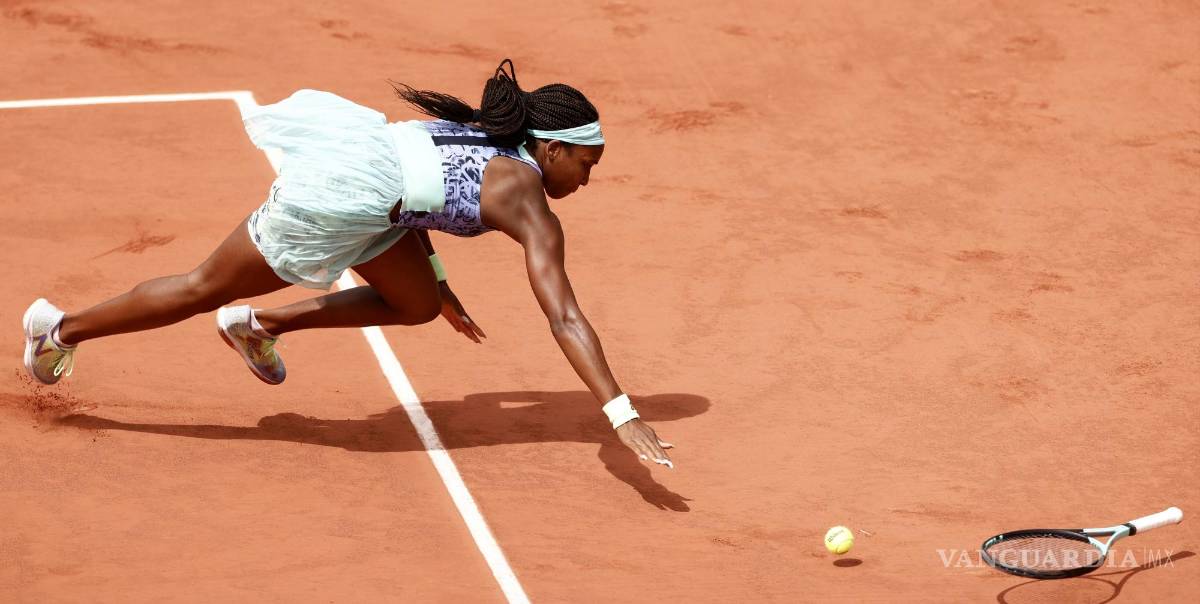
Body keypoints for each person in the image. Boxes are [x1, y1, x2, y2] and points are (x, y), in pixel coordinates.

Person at [21, 59, 675, 468]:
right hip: (344, 197)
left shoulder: (495, 139)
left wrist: (442, 286)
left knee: (416, 304)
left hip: (376, 192)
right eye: (587, 165)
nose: (587, 180)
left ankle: (260, 326)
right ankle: (58, 328)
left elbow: (421, 191)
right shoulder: (526, 196)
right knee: (201, 286)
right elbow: (563, 314)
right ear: (556, 150)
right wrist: (622, 414)